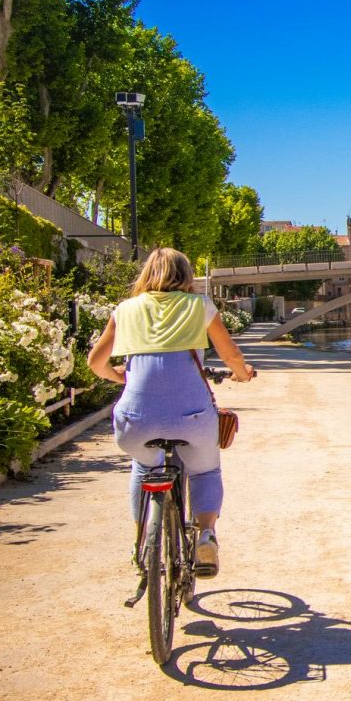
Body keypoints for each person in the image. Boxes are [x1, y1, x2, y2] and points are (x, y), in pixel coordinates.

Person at [86, 248, 255, 579]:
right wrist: (242, 372)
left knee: (142, 467)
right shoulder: (199, 306)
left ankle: (146, 540)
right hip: (191, 415)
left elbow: (95, 363)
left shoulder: (124, 311)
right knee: (205, 470)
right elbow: (231, 354)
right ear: (187, 276)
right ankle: (206, 535)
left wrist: (119, 375)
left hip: (136, 418)